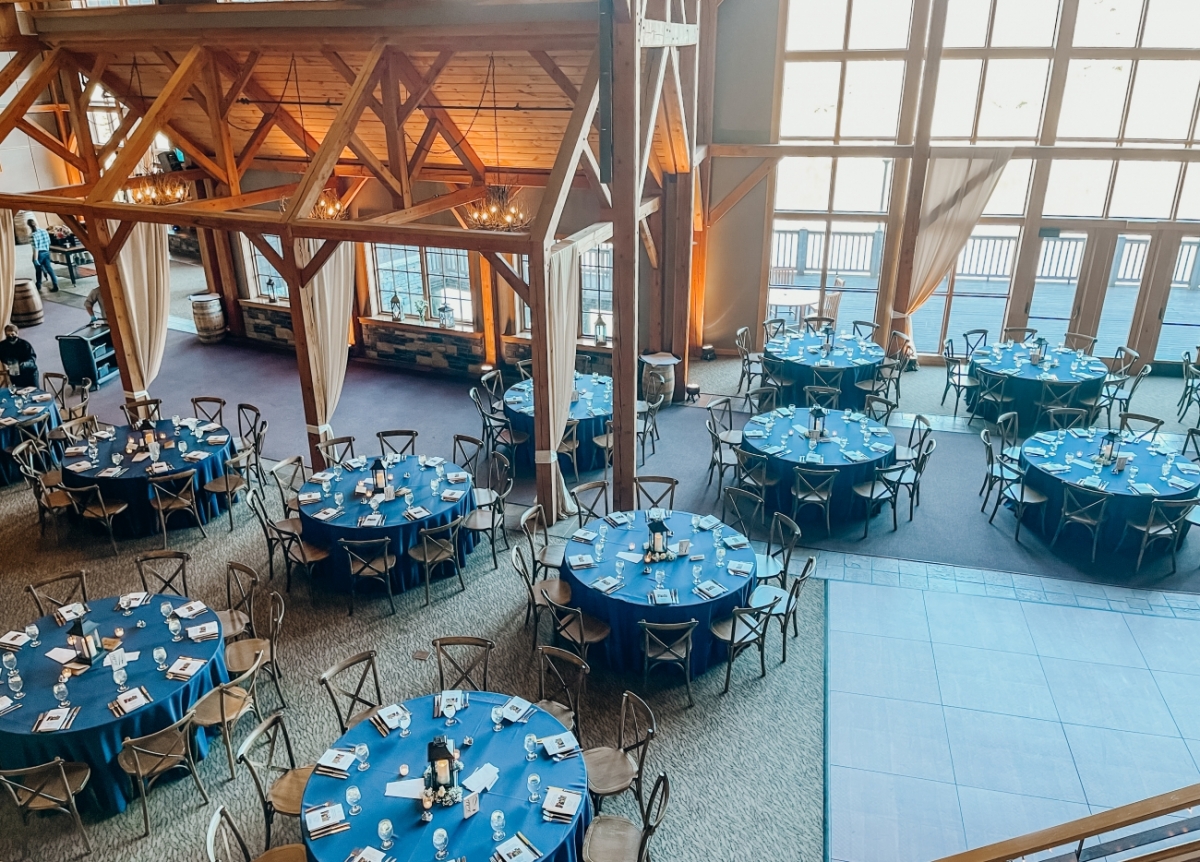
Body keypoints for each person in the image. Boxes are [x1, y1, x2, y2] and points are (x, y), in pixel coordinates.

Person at [0, 324, 38, 389]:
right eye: (8, 335)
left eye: (12, 334)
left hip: (29, 373)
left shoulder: (25, 345)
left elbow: (32, 359)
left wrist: (24, 364)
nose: (10, 337)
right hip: (15, 373)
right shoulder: (2, 345)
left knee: (33, 392)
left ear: (17, 334)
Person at [27, 218, 58, 293]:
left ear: (29, 226)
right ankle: (55, 284)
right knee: (49, 269)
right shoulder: (44, 231)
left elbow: (36, 248)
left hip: (39, 254)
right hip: (46, 252)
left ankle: (38, 285)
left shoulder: (32, 235)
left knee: (38, 270)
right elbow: (49, 242)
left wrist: (35, 259)